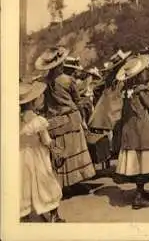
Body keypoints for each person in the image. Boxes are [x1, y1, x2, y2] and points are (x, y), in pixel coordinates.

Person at [34, 46, 96, 196]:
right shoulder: (68, 80)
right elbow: (77, 100)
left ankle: (64, 185)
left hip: (54, 122)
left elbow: (41, 106)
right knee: (75, 152)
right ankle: (75, 183)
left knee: (61, 153)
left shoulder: (43, 83)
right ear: (60, 64)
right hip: (71, 120)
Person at [114, 54, 149, 210]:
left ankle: (140, 191)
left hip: (130, 131)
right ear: (140, 75)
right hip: (143, 131)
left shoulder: (126, 91)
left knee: (136, 163)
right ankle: (138, 197)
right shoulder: (142, 90)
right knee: (144, 163)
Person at [19, 81, 65, 223]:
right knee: (47, 182)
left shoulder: (17, 120)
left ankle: (24, 215)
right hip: (37, 155)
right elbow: (46, 140)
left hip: (21, 156)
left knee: (24, 184)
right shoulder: (38, 120)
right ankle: (54, 215)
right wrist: (56, 151)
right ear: (33, 102)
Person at [88, 49, 131, 156]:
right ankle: (117, 149)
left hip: (108, 104)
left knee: (112, 128)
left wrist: (101, 98)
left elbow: (96, 88)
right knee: (118, 127)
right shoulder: (121, 76)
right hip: (116, 104)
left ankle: (114, 149)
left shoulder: (109, 77)